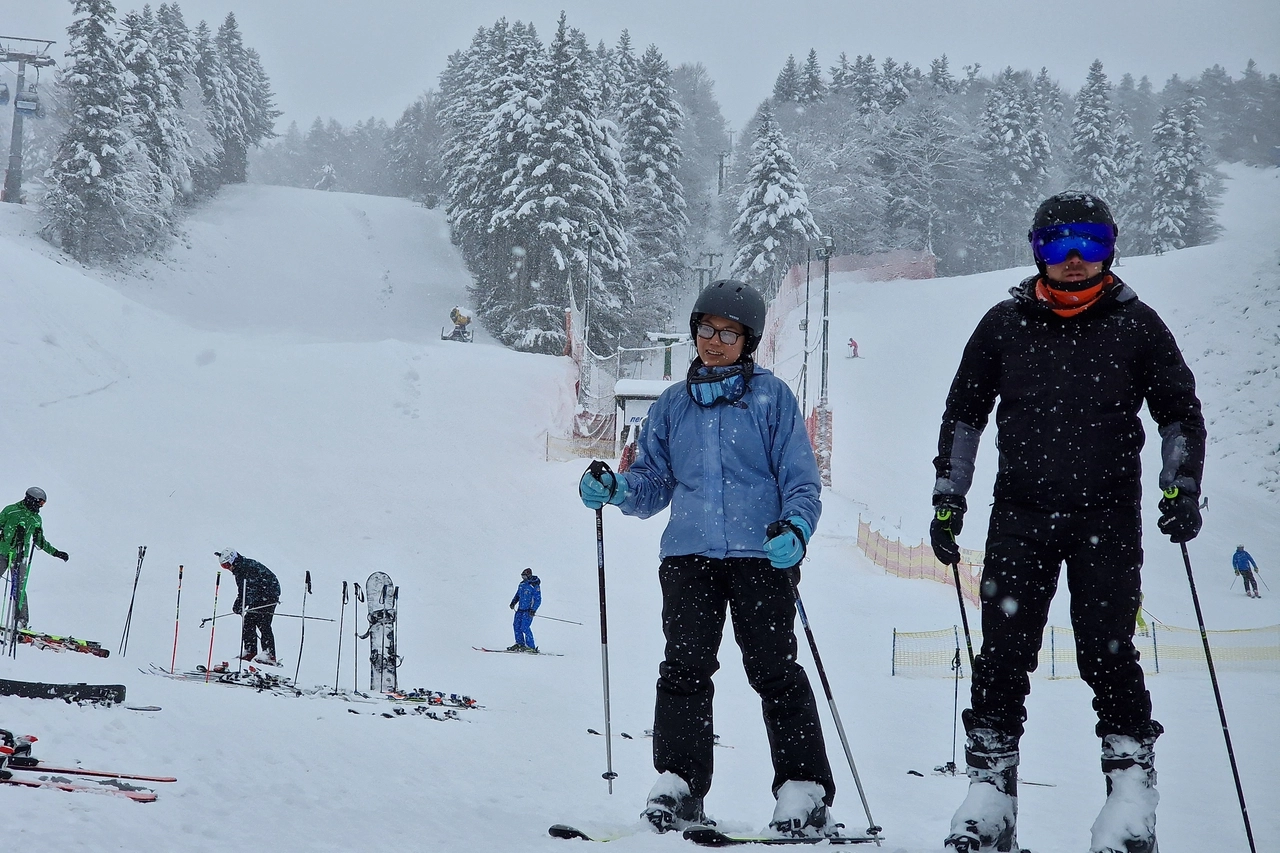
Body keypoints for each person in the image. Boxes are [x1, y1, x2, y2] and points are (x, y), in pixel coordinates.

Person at [929, 192, 1206, 853]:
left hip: (1105, 517)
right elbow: (964, 415)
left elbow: (1178, 413)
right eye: (1058, 245)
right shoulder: (1004, 324)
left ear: (1111, 248)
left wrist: (1182, 486)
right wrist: (948, 497)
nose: (1075, 259)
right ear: (1036, 251)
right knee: (1002, 655)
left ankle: (1130, 802)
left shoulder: (1137, 326)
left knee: (1108, 654)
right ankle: (990, 795)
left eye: (1089, 243)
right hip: (1020, 515)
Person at [579, 279, 834, 839]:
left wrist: (795, 528)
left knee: (774, 672)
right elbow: (653, 482)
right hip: (690, 557)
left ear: (749, 340)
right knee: (684, 671)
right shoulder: (673, 405)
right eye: (705, 329)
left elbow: (801, 482)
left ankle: (804, 790)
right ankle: (680, 783)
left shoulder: (772, 399)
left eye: (728, 332)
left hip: (760, 558)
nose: (714, 342)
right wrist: (618, 488)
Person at [0, 487, 69, 630]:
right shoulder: (11, 511)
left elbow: (39, 541)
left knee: (19, 588)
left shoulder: (35, 519)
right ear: (31, 500)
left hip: (20, 557)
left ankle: (21, 621)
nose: (40, 506)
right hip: (2, 553)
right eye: (40, 503)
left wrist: (56, 553)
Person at [215, 549, 281, 664]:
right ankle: (250, 651)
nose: (227, 568)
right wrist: (239, 603)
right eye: (224, 566)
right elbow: (244, 591)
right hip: (259, 596)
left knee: (263, 622)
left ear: (233, 560)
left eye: (227, 565)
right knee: (249, 621)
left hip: (268, 594)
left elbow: (249, 590)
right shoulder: (240, 569)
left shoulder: (246, 568)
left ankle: (269, 654)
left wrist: (240, 603)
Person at [508, 568, 541, 651]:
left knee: (524, 627)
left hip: (528, 611)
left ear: (529, 575)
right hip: (520, 610)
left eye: (525, 577)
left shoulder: (534, 586)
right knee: (516, 626)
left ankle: (531, 646)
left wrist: (533, 609)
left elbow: (538, 599)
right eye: (522, 576)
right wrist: (513, 602)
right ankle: (520, 643)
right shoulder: (522, 584)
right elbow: (518, 595)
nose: (523, 578)